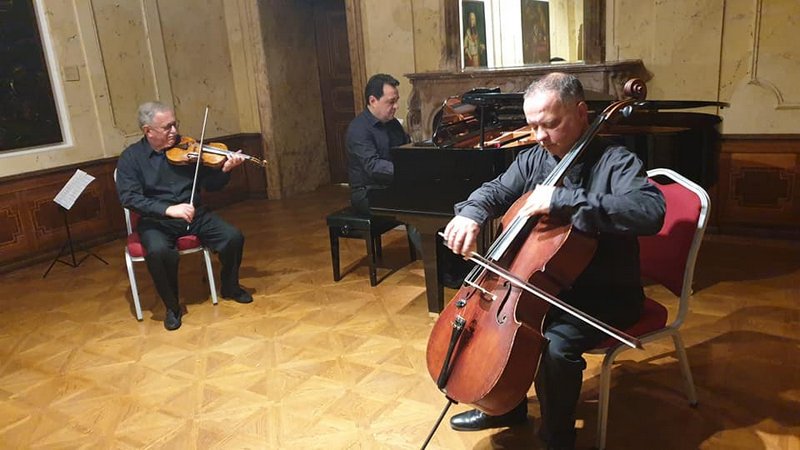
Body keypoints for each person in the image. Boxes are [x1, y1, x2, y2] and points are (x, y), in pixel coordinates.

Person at [442, 73, 665, 449]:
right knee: (500, 330)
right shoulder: (534, 158)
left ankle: (557, 435)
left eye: (550, 124)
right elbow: (496, 190)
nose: (540, 136)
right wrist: (471, 214)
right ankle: (504, 405)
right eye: (532, 126)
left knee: (554, 343)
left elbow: (650, 211)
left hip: (603, 294)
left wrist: (564, 201)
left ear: (581, 113)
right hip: (542, 288)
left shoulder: (615, 162)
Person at [116, 101, 253, 331]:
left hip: (195, 215)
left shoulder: (188, 147)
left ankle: (230, 287)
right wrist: (167, 209)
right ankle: (172, 307)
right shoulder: (131, 158)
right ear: (148, 131)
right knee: (158, 252)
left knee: (233, 237)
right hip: (157, 222)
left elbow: (211, 185)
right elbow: (129, 198)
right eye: (167, 127)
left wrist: (225, 171)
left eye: (175, 124)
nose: (174, 131)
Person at [345, 73, 408, 214]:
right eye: (391, 102)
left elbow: (406, 150)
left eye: (396, 101)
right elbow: (373, 166)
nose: (396, 106)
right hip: (368, 192)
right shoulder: (358, 129)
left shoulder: (394, 124)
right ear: (373, 101)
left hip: (392, 185)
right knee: (415, 203)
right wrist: (406, 171)